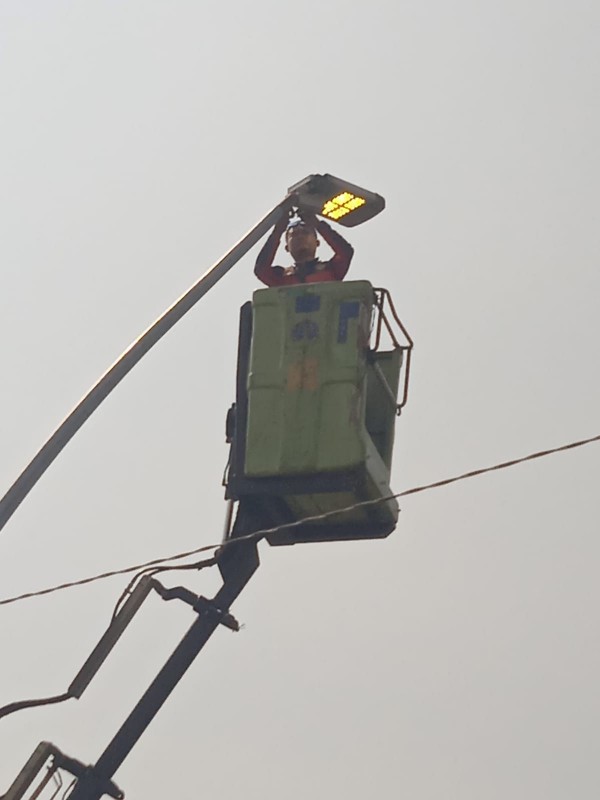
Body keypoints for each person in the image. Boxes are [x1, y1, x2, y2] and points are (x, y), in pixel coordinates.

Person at [254, 211, 354, 286]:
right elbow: (261, 270)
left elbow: (346, 252)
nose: (300, 237)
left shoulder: (331, 269)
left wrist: (317, 224)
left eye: (305, 232)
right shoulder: (281, 276)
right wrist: (278, 231)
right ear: (287, 248)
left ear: (317, 242)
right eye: (294, 235)